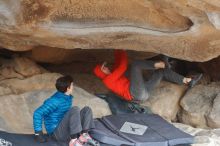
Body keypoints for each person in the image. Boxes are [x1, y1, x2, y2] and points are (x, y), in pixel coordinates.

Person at [93, 50, 202, 102]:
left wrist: (117, 49)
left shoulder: (111, 75)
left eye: (105, 66)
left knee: (161, 72)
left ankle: (187, 81)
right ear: (101, 73)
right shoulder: (108, 80)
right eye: (104, 68)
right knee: (135, 65)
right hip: (135, 93)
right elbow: (122, 66)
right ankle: (159, 64)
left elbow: (118, 62)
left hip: (144, 94)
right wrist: (121, 49)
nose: (107, 68)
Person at [33, 75, 99, 146]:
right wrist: (38, 133)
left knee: (87, 109)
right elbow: (38, 113)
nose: (73, 87)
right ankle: (74, 140)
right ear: (68, 88)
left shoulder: (67, 97)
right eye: (72, 85)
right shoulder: (54, 101)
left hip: (65, 128)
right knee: (75, 109)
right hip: (56, 133)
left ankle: (84, 135)